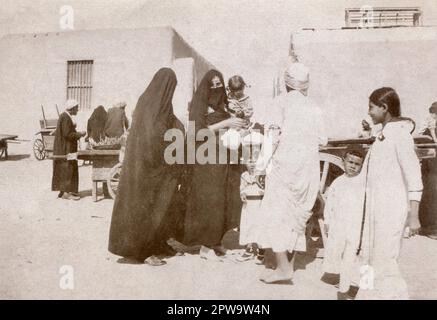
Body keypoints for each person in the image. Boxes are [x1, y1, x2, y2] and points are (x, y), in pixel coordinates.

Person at [255, 63, 327, 284]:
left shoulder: (280, 103)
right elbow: (323, 140)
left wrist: (260, 166)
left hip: (284, 168)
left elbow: (273, 137)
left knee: (275, 215)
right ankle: (287, 264)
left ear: (286, 83)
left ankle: (284, 269)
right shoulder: (314, 107)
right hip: (308, 170)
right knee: (296, 216)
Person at [108, 68, 185, 266]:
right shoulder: (149, 105)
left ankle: (158, 244)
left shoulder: (156, 103)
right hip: (147, 168)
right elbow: (154, 136)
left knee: (161, 207)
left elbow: (170, 124)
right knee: (146, 209)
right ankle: (142, 251)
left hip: (156, 167)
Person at [356, 87, 422, 300]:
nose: (369, 112)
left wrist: (414, 216)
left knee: (386, 261)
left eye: (372, 108)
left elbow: (414, 177)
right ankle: (365, 295)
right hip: (374, 209)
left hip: (391, 211)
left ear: (384, 108)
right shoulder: (382, 135)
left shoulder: (401, 135)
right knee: (367, 254)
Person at [182, 70, 246, 253]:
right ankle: (205, 246)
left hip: (222, 158)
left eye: (219, 84)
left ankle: (216, 241)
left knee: (221, 200)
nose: (216, 88)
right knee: (209, 200)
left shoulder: (223, 104)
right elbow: (197, 131)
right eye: (213, 85)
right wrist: (226, 124)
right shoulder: (198, 104)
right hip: (205, 160)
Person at [321, 150, 365, 300]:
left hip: (355, 224)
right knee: (338, 251)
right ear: (344, 161)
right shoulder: (338, 182)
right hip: (339, 224)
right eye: (350, 162)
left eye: (357, 164)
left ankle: (351, 286)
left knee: (353, 255)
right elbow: (330, 204)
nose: (353, 166)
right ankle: (343, 279)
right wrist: (327, 221)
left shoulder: (362, 183)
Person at [51, 99, 86, 200]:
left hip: (65, 148)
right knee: (68, 168)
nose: (78, 110)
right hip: (66, 149)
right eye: (76, 108)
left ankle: (63, 191)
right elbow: (67, 134)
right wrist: (80, 134)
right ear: (71, 109)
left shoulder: (65, 116)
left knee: (64, 168)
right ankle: (67, 193)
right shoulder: (66, 117)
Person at [238, 159, 265, 260]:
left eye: (255, 161)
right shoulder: (244, 175)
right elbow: (242, 188)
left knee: (260, 226)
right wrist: (242, 194)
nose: (252, 164)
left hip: (259, 204)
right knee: (247, 225)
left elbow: (265, 189)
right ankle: (248, 249)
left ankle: (261, 250)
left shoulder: (262, 175)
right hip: (248, 205)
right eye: (249, 161)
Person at [419, 102, 437, 240]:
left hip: (432, 167)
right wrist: (431, 130)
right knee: (431, 193)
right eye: (433, 111)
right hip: (430, 167)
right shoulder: (427, 128)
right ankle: (429, 228)